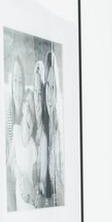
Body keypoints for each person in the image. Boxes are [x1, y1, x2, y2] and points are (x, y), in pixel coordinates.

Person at [11, 91, 39, 210]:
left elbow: (36, 175)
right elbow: (11, 160)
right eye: (26, 102)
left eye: (30, 104)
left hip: (30, 195)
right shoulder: (16, 130)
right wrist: (19, 174)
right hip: (20, 189)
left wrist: (33, 193)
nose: (27, 107)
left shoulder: (34, 142)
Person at [5, 53, 25, 210]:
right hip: (12, 179)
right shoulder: (7, 114)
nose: (18, 86)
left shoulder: (28, 111)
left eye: (21, 81)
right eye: (15, 81)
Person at [45, 50, 64, 205]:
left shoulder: (60, 132)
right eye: (48, 86)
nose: (49, 95)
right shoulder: (45, 126)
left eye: (53, 88)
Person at [32, 59, 51, 205]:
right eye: (35, 92)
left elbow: (43, 180)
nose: (37, 99)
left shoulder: (45, 133)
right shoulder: (29, 123)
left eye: (40, 94)